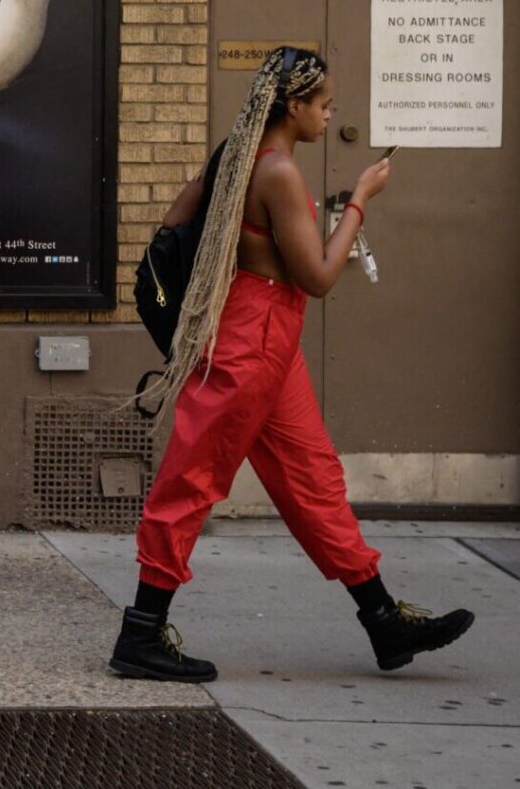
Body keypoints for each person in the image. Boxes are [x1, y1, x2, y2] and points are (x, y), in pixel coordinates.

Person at [113, 46, 474, 682]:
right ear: (294, 105)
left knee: (313, 480)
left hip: (262, 337)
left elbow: (174, 222)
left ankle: (383, 620)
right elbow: (318, 277)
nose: (331, 115)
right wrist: (361, 199)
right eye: (325, 104)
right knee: (191, 481)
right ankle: (141, 633)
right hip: (252, 341)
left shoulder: (237, 152)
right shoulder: (276, 170)